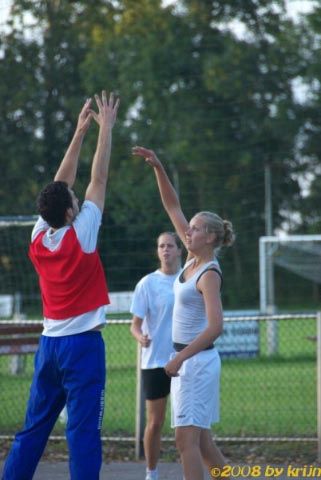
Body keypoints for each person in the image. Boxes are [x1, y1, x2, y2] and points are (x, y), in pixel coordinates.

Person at [2, 91, 119, 480]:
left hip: (49, 346)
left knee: (33, 430)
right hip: (82, 346)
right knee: (82, 432)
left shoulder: (39, 235)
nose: (78, 198)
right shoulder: (80, 235)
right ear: (71, 212)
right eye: (75, 200)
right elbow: (97, 178)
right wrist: (106, 131)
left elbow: (59, 183)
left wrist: (79, 132)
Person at [132, 146, 235, 480]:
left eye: (194, 228)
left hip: (196, 363)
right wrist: (158, 167)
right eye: (188, 227)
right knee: (202, 442)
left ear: (211, 237)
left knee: (184, 441)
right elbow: (172, 204)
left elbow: (216, 326)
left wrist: (179, 358)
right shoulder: (192, 259)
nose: (186, 231)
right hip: (188, 363)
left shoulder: (208, 273)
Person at [130, 232, 182, 480]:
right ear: (157, 251)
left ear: (179, 250)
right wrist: (140, 337)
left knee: (187, 425)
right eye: (161, 246)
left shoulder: (190, 279)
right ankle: (152, 472)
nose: (165, 250)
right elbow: (135, 324)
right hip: (155, 363)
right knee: (156, 421)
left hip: (185, 361)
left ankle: (191, 469)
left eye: (170, 246)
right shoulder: (147, 283)